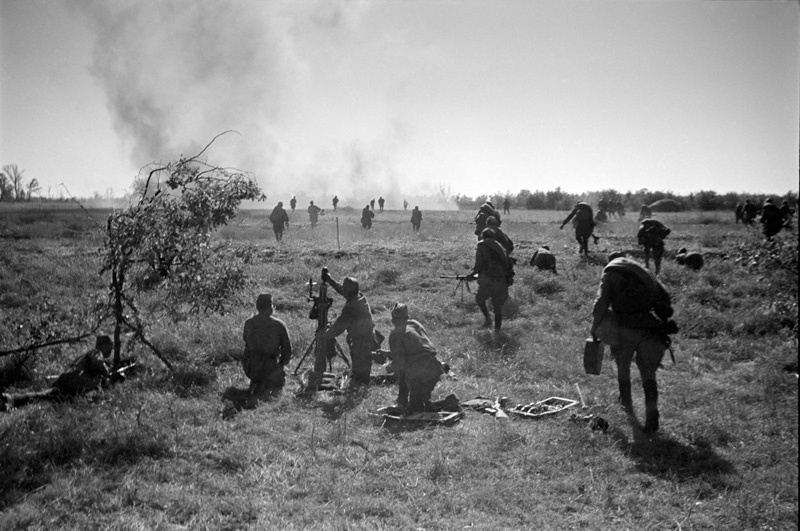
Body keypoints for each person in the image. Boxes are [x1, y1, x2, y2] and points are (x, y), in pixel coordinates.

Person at [590, 252, 676, 434]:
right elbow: (665, 298)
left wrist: (594, 326)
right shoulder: (641, 271)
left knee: (623, 366)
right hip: (649, 326)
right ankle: (652, 415)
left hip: (625, 327)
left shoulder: (610, 272)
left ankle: (627, 407)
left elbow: (601, 302)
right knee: (648, 372)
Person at [2, 335, 115, 410]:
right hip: (78, 379)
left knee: (46, 395)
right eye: (109, 346)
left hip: (66, 378)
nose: (111, 349)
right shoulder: (96, 352)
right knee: (97, 395)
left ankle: (11, 399)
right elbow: (98, 364)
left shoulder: (83, 357)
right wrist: (108, 372)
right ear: (101, 346)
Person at [378, 303, 445, 413]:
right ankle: (420, 402)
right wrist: (389, 353)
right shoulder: (415, 324)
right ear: (407, 317)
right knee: (421, 400)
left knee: (415, 408)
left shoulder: (396, 334)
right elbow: (418, 349)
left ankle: (410, 405)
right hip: (434, 368)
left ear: (393, 320)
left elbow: (400, 363)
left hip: (418, 373)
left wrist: (387, 369)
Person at [322, 271, 378, 385]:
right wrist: (330, 280)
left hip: (361, 341)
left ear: (349, 292)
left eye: (346, 289)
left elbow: (338, 327)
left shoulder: (352, 307)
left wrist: (324, 335)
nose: (344, 290)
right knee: (361, 366)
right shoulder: (359, 296)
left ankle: (359, 389)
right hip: (366, 337)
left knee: (360, 371)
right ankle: (359, 384)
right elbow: (342, 290)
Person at [242, 294, 292, 396]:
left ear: (257, 306)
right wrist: (281, 365)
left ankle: (257, 382)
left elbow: (247, 343)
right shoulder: (279, 325)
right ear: (271, 307)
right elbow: (287, 350)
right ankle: (268, 383)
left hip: (253, 368)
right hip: (272, 369)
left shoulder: (249, 323)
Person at [468, 228, 512, 330]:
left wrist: (472, 275)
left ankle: (488, 319)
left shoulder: (481, 246)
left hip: (488, 280)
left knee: (479, 299)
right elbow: (506, 263)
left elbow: (478, 264)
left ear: (483, 236)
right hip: (501, 280)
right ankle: (497, 330)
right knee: (498, 305)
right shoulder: (499, 246)